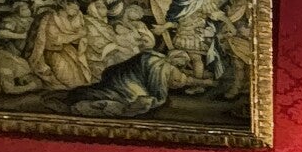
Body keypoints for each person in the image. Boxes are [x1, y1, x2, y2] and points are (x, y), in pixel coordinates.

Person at [57, 48, 213, 118]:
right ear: (176, 61)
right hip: (127, 83)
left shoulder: (155, 56)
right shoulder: (162, 68)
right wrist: (205, 82)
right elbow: (167, 86)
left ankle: (79, 96)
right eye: (183, 64)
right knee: (132, 99)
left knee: (107, 91)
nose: (183, 67)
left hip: (117, 76)